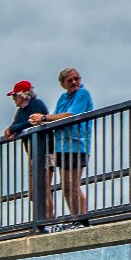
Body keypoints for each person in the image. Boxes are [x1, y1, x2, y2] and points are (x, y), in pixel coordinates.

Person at [31, 67, 94, 227]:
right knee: (66, 187)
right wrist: (39, 121)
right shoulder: (63, 98)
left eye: (76, 79)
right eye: (70, 80)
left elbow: (70, 115)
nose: (74, 82)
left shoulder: (82, 93)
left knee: (73, 185)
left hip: (77, 145)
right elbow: (55, 117)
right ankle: (76, 219)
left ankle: (82, 219)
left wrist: (44, 117)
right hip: (62, 147)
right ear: (63, 84)